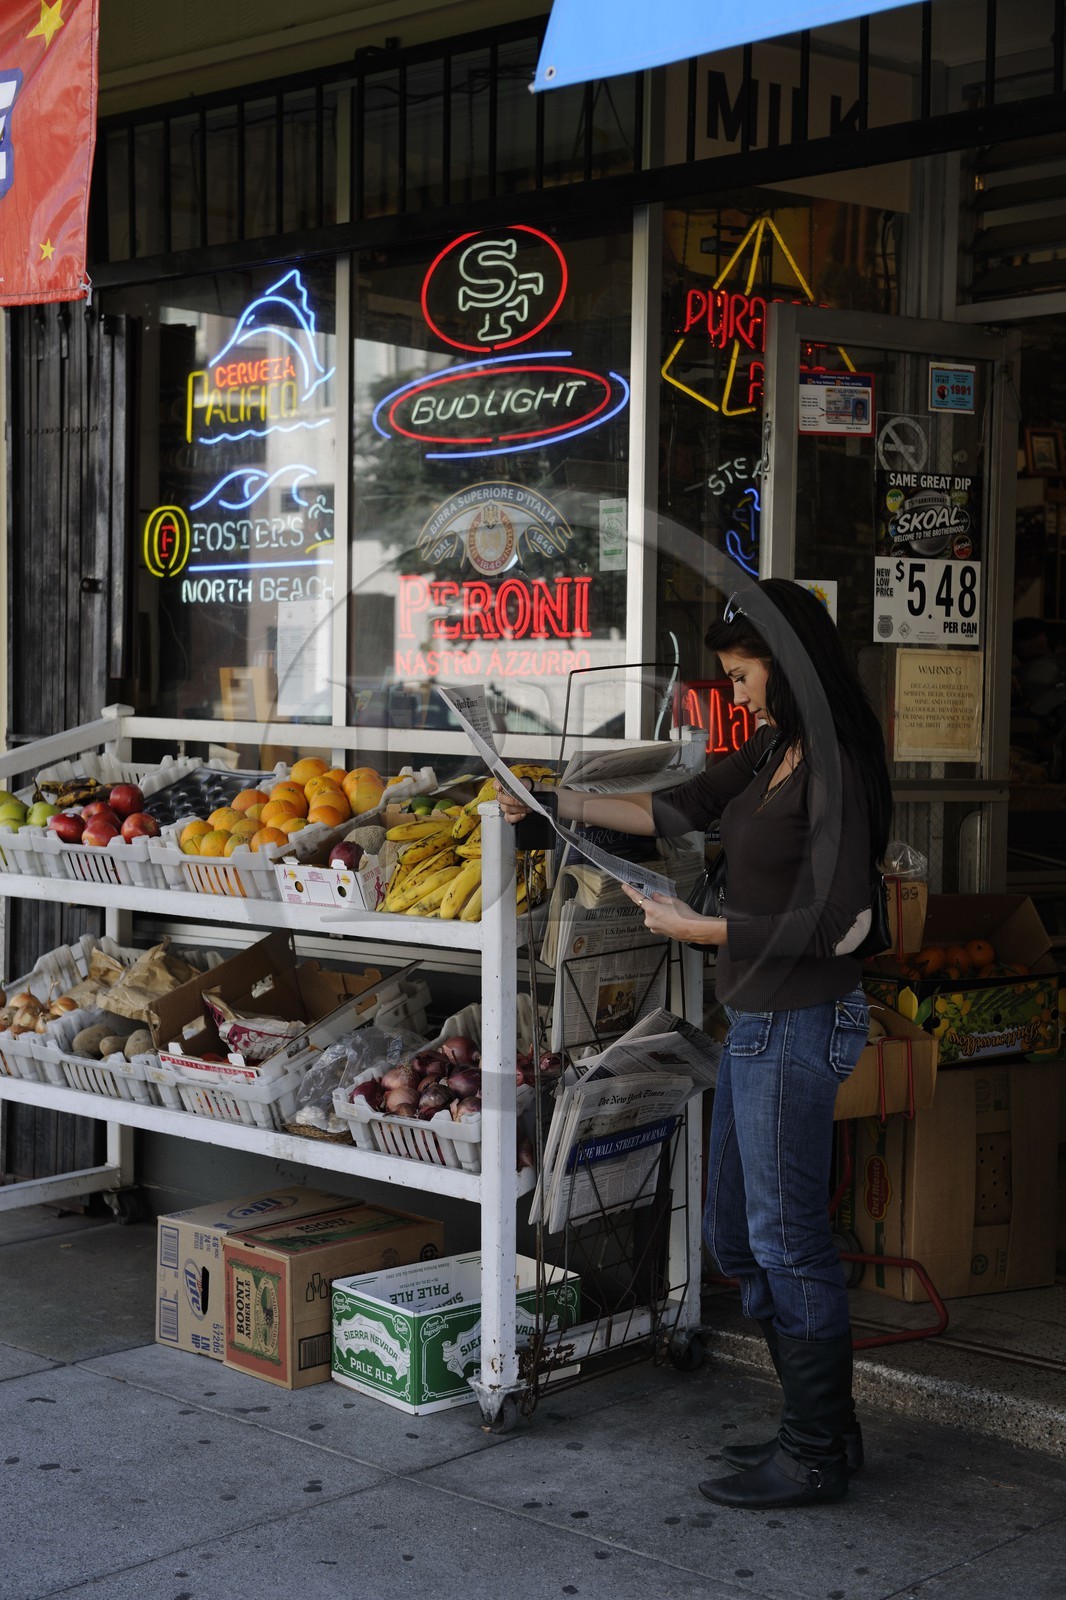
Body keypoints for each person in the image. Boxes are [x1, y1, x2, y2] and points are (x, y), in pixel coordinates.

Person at [496, 578, 892, 1510]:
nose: (737, 691)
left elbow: (846, 921)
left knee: (786, 1243)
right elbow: (677, 810)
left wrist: (704, 931)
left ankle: (814, 1453)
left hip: (799, 1021)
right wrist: (551, 800)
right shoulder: (774, 749)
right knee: (735, 1238)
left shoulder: (835, 765)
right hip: (754, 1023)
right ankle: (825, 1425)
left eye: (745, 673)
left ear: (787, 666)